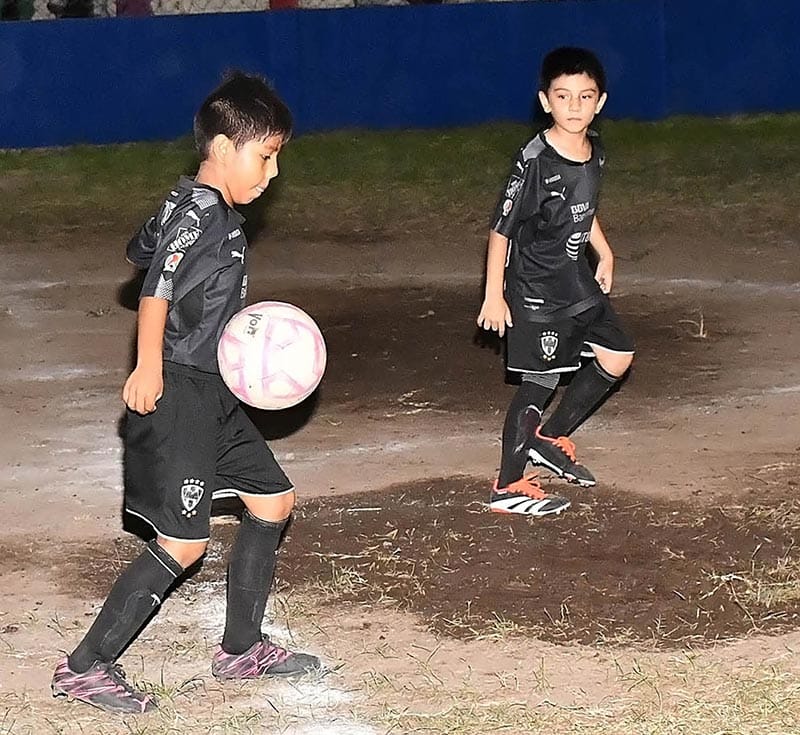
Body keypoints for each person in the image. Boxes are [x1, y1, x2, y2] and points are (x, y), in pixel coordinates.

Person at [51, 71, 320, 715]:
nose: (273, 172)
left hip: (216, 389)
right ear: (224, 148)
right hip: (179, 391)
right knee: (183, 543)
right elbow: (154, 289)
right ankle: (84, 667)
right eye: (265, 155)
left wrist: (166, 220)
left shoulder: (194, 206)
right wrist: (148, 367)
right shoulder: (202, 211)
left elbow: (139, 248)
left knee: (273, 499)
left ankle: (241, 648)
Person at [477, 47, 634, 516]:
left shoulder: (594, 150)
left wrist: (603, 250)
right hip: (536, 289)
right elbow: (501, 228)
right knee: (539, 382)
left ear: (599, 102)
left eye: (584, 97)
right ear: (545, 101)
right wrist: (494, 294)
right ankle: (507, 484)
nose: (573, 105)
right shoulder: (534, 161)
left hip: (576, 279)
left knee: (618, 354)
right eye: (563, 96)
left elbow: (586, 207)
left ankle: (547, 437)